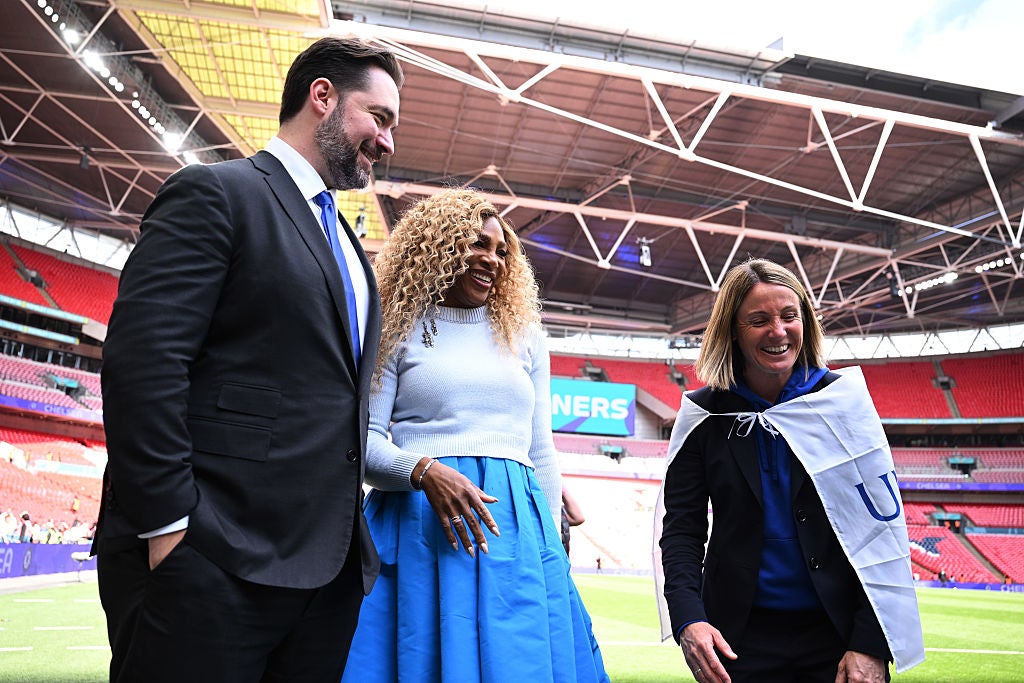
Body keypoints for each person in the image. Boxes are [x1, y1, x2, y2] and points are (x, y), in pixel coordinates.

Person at [94, 37, 402, 683]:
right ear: (323, 96)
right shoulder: (216, 192)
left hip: (323, 582)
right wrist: (171, 529)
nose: (388, 141)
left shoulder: (349, 246)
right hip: (211, 563)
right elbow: (144, 363)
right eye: (379, 117)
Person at [341, 188, 609, 682]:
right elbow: (365, 443)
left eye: (502, 251)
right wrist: (424, 471)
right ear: (438, 247)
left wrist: (552, 544)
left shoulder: (526, 336)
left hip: (515, 530)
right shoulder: (395, 330)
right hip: (417, 527)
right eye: (477, 244)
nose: (493, 260)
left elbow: (540, 449)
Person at [655, 258, 924, 683]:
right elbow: (682, 530)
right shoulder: (704, 416)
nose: (778, 331)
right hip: (736, 640)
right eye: (759, 320)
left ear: (805, 323)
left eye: (789, 316)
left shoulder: (842, 403)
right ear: (732, 331)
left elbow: (882, 530)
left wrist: (871, 642)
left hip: (838, 636)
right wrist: (689, 619)